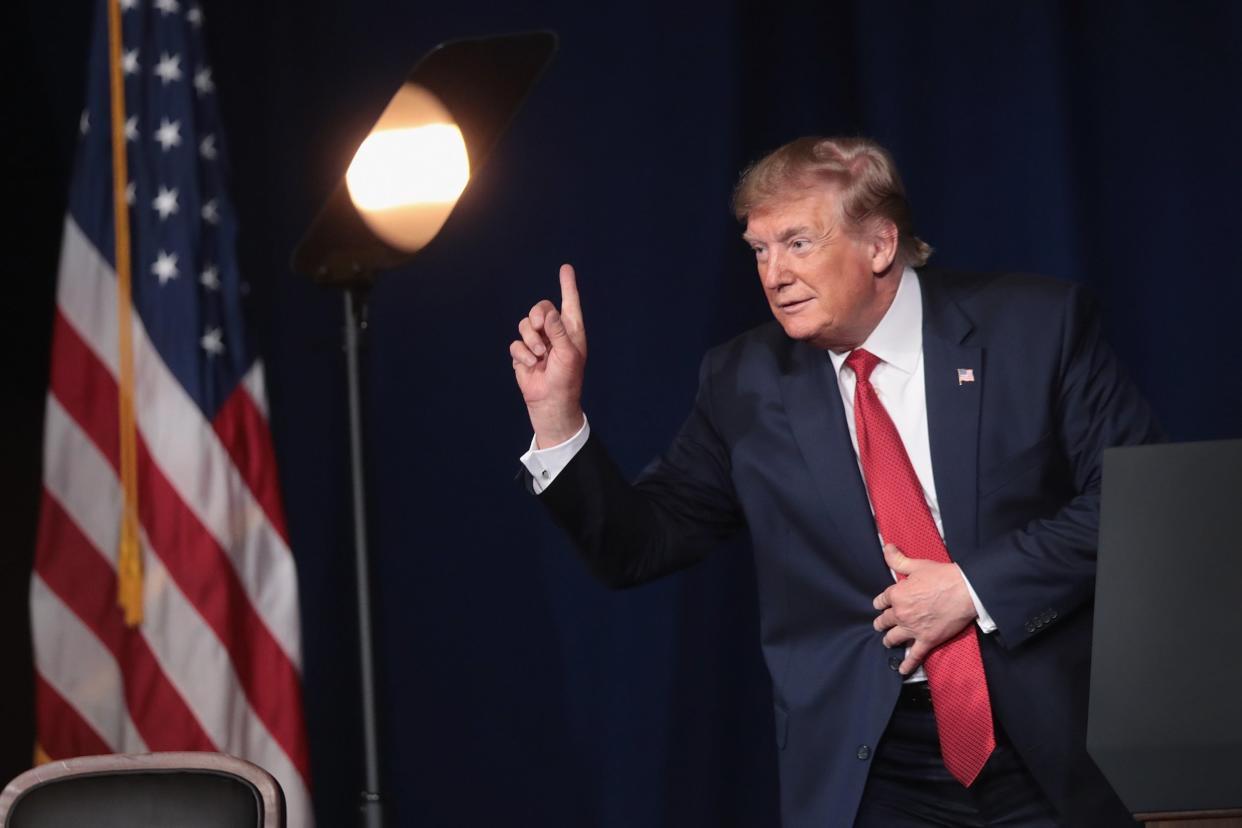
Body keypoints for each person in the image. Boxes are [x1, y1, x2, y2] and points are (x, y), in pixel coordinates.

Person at [508, 136, 1161, 827]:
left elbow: (1138, 511)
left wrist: (972, 589)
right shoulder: (743, 381)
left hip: (1044, 742)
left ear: (880, 245)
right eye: (759, 249)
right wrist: (558, 418)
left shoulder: (1035, 329)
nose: (774, 273)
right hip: (874, 766)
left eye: (797, 242)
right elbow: (636, 546)